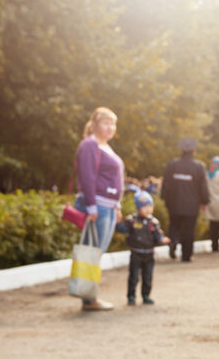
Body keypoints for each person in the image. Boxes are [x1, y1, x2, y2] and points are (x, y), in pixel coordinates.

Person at [74, 107, 126, 312]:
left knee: (97, 252)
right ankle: (88, 299)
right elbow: (87, 176)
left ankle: (90, 296)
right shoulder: (89, 145)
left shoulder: (106, 147)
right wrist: (92, 206)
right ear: (95, 124)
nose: (110, 127)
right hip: (99, 207)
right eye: (105, 123)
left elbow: (113, 179)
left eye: (112, 124)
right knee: (92, 252)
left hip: (109, 207)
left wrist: (118, 205)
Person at [115, 190, 170, 305]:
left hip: (149, 254)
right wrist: (117, 223)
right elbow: (123, 229)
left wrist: (162, 239)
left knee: (148, 276)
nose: (148, 209)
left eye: (150, 206)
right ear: (138, 207)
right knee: (134, 276)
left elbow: (158, 235)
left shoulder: (153, 222)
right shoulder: (132, 221)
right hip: (136, 253)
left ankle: (146, 295)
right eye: (144, 207)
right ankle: (131, 296)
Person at [161, 137, 210, 262]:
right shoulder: (198, 167)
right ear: (194, 150)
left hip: (174, 203)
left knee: (174, 226)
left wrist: (165, 199)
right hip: (191, 206)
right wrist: (204, 201)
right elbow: (203, 186)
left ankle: (173, 242)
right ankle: (186, 255)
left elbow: (165, 184)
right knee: (189, 230)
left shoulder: (172, 165)